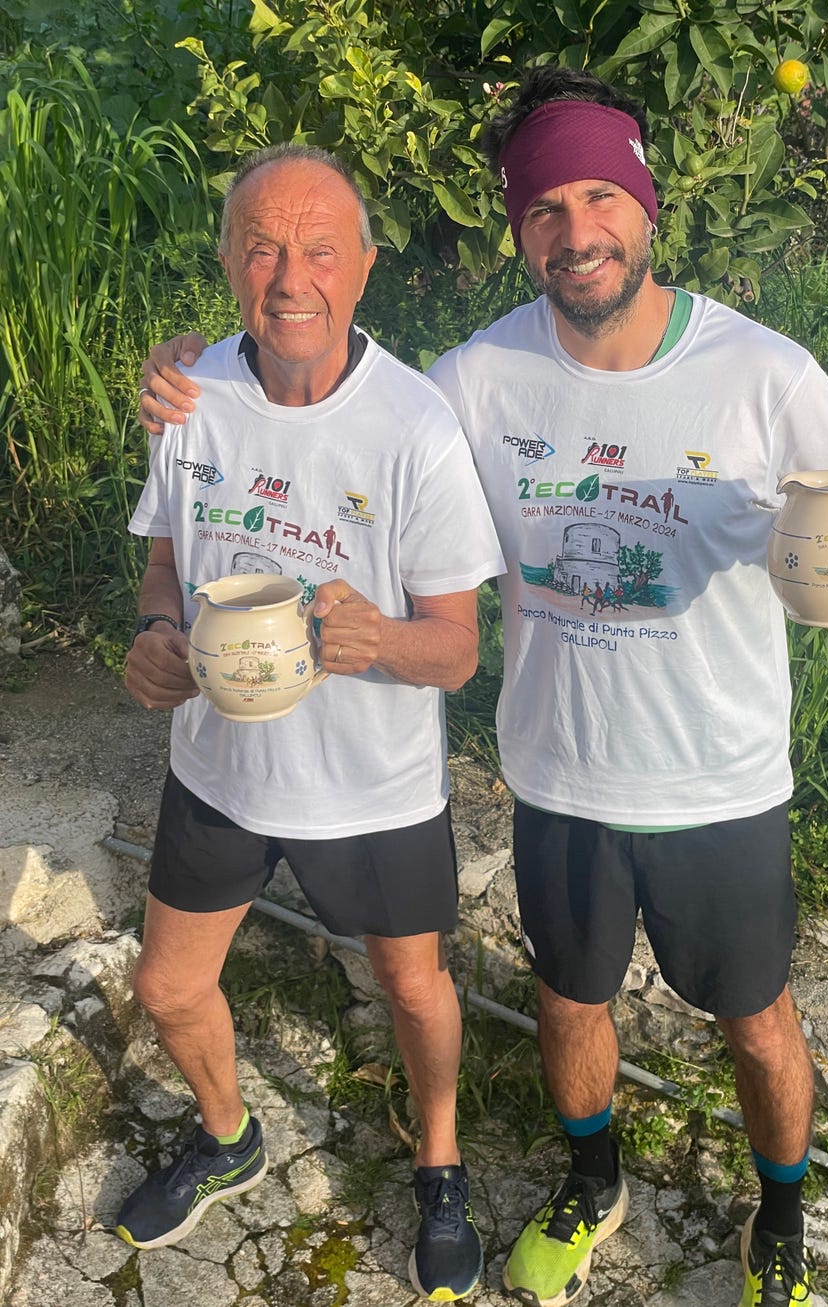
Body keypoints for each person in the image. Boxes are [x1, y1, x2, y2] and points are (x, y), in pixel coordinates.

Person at [136, 67, 828, 1307]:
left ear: (645, 209)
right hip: (557, 776)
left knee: (755, 1018)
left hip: (719, 776)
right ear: (519, 230)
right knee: (569, 1004)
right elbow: (337, 395)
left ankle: (782, 1208)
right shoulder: (475, 379)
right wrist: (190, 370)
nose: (576, 232)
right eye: (544, 209)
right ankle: (592, 1183)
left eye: (599, 197)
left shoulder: (765, 372)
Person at [120, 143, 503, 1305]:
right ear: (229, 262)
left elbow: (459, 648)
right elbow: (163, 564)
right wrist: (151, 640)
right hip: (219, 771)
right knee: (165, 990)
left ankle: (437, 1158)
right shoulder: (188, 396)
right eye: (262, 246)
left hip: (371, 791)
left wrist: (377, 638)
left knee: (416, 989)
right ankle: (231, 1133)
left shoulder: (414, 425)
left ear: (366, 268)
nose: (290, 277)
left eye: (319, 249)